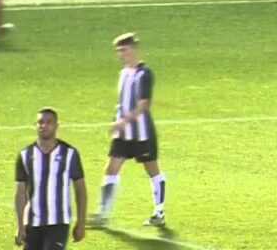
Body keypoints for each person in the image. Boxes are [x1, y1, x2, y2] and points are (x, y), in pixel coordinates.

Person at [89, 33, 166, 228]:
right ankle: (103, 214)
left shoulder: (144, 74)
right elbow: (122, 103)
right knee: (111, 169)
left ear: (133, 49)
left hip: (142, 134)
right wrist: (117, 122)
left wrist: (122, 122)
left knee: (152, 170)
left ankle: (159, 212)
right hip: (123, 134)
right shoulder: (123, 73)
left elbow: (143, 105)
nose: (121, 54)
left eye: (123, 50)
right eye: (118, 51)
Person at [15, 108, 87, 249]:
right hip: (32, 222)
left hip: (58, 223)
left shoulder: (69, 154)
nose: (44, 126)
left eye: (49, 122)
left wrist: (81, 222)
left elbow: (80, 189)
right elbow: (20, 193)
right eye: (40, 122)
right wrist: (20, 225)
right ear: (35, 125)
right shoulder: (25, 155)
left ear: (56, 126)